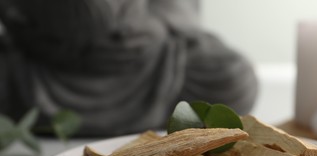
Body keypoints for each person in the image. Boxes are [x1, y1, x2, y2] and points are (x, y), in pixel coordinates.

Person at [0, 0, 258, 136]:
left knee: (233, 76)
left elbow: (182, 7)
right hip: (48, 61)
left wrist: (158, 24)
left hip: (140, 54)